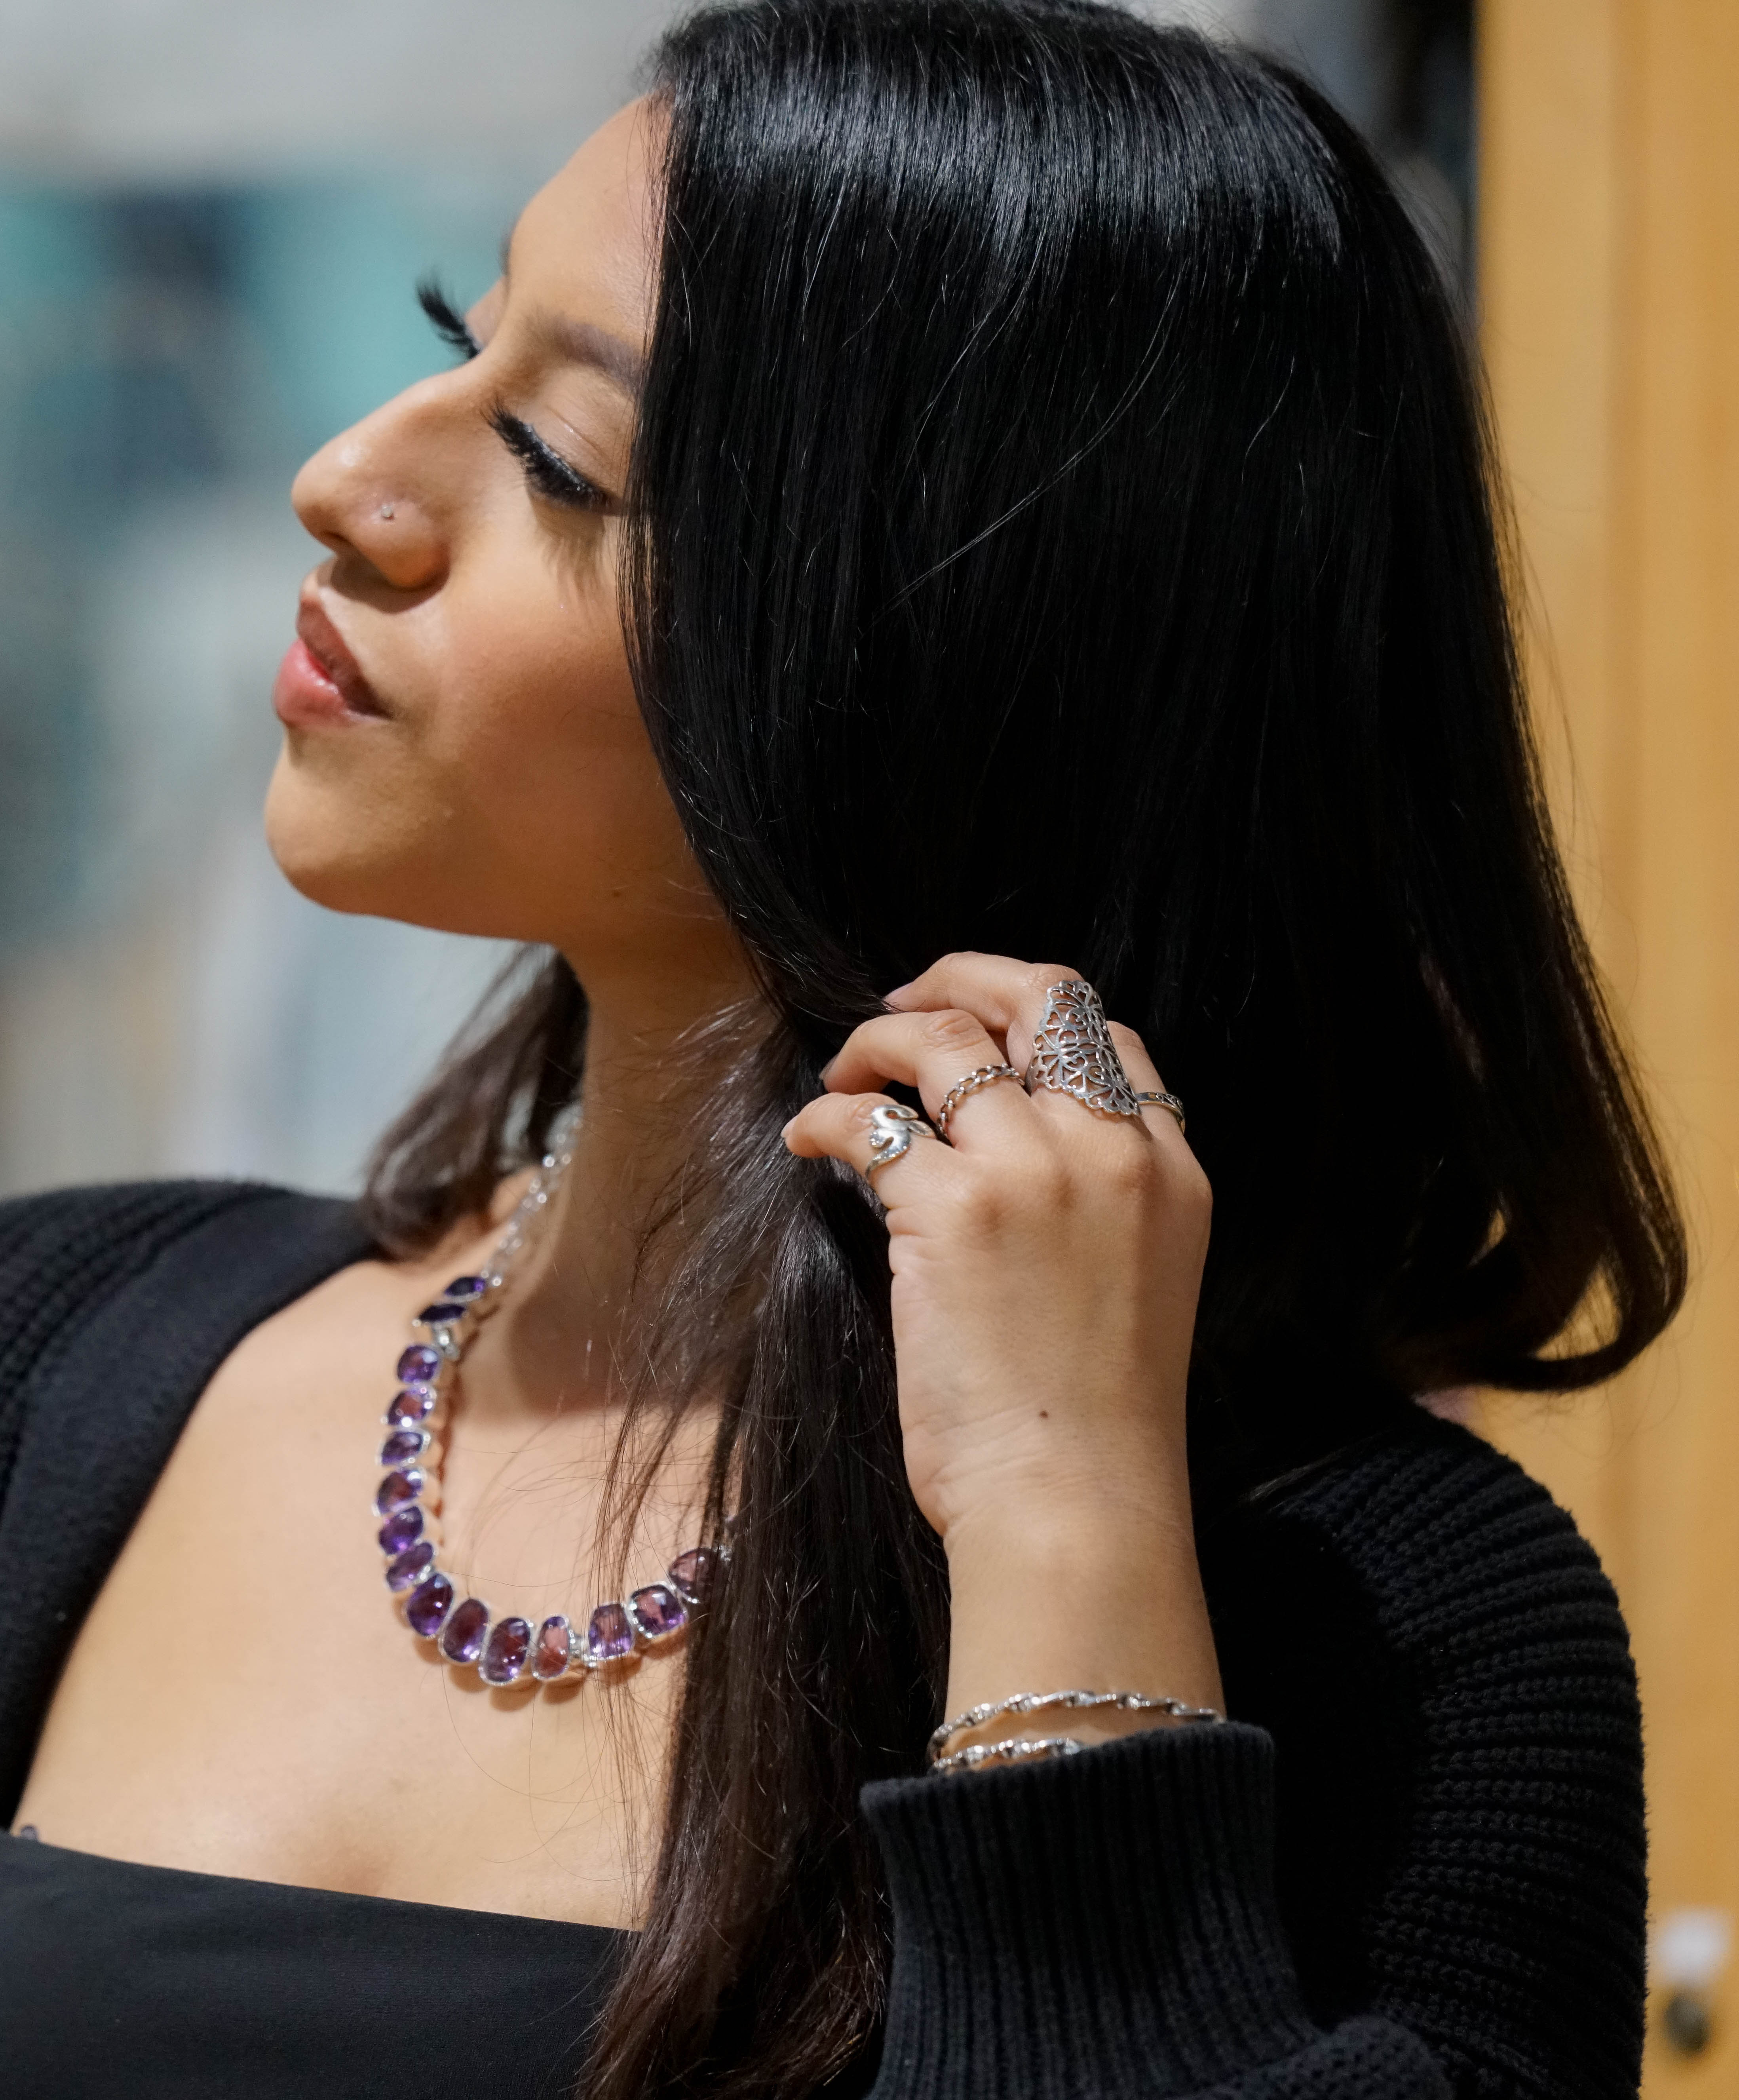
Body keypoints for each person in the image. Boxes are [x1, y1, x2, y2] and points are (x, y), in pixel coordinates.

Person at [0, 3, 1685, 2095]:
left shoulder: (1396, 1630)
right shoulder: (53, 1353)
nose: (349, 479)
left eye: (560, 460)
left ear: (955, 665)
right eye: (462, 332)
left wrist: (1068, 1554)